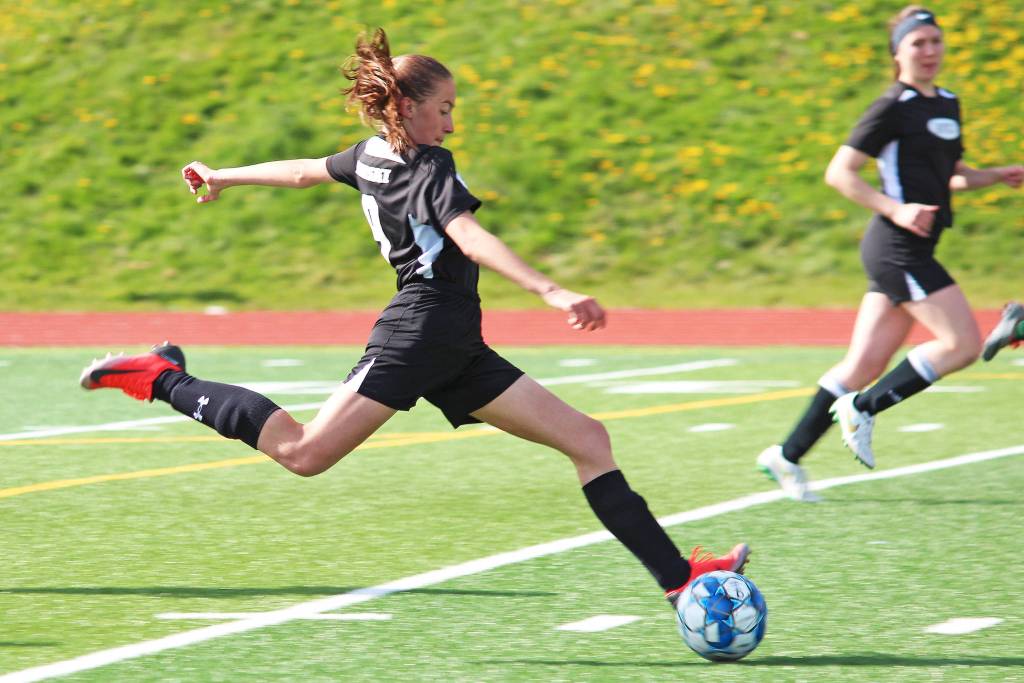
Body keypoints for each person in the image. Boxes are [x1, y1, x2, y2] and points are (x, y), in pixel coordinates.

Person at [80, 29, 747, 607]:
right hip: (419, 330)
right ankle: (162, 375)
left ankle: (679, 578)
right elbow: (466, 235)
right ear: (407, 106)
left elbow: (305, 171)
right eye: (444, 109)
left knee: (589, 439)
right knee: (304, 452)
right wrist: (549, 288)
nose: (451, 123)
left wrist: (226, 173)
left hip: (454, 343)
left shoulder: (372, 154)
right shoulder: (427, 164)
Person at [757, 6, 1024, 502]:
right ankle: (867, 406)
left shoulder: (947, 103)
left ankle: (786, 455)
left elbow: (949, 172)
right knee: (962, 344)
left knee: (860, 364)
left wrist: (995, 175)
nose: (928, 51)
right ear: (897, 51)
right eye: (917, 43)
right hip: (896, 246)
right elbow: (840, 173)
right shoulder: (890, 106)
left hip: (914, 246)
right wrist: (896, 210)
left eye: (934, 42)